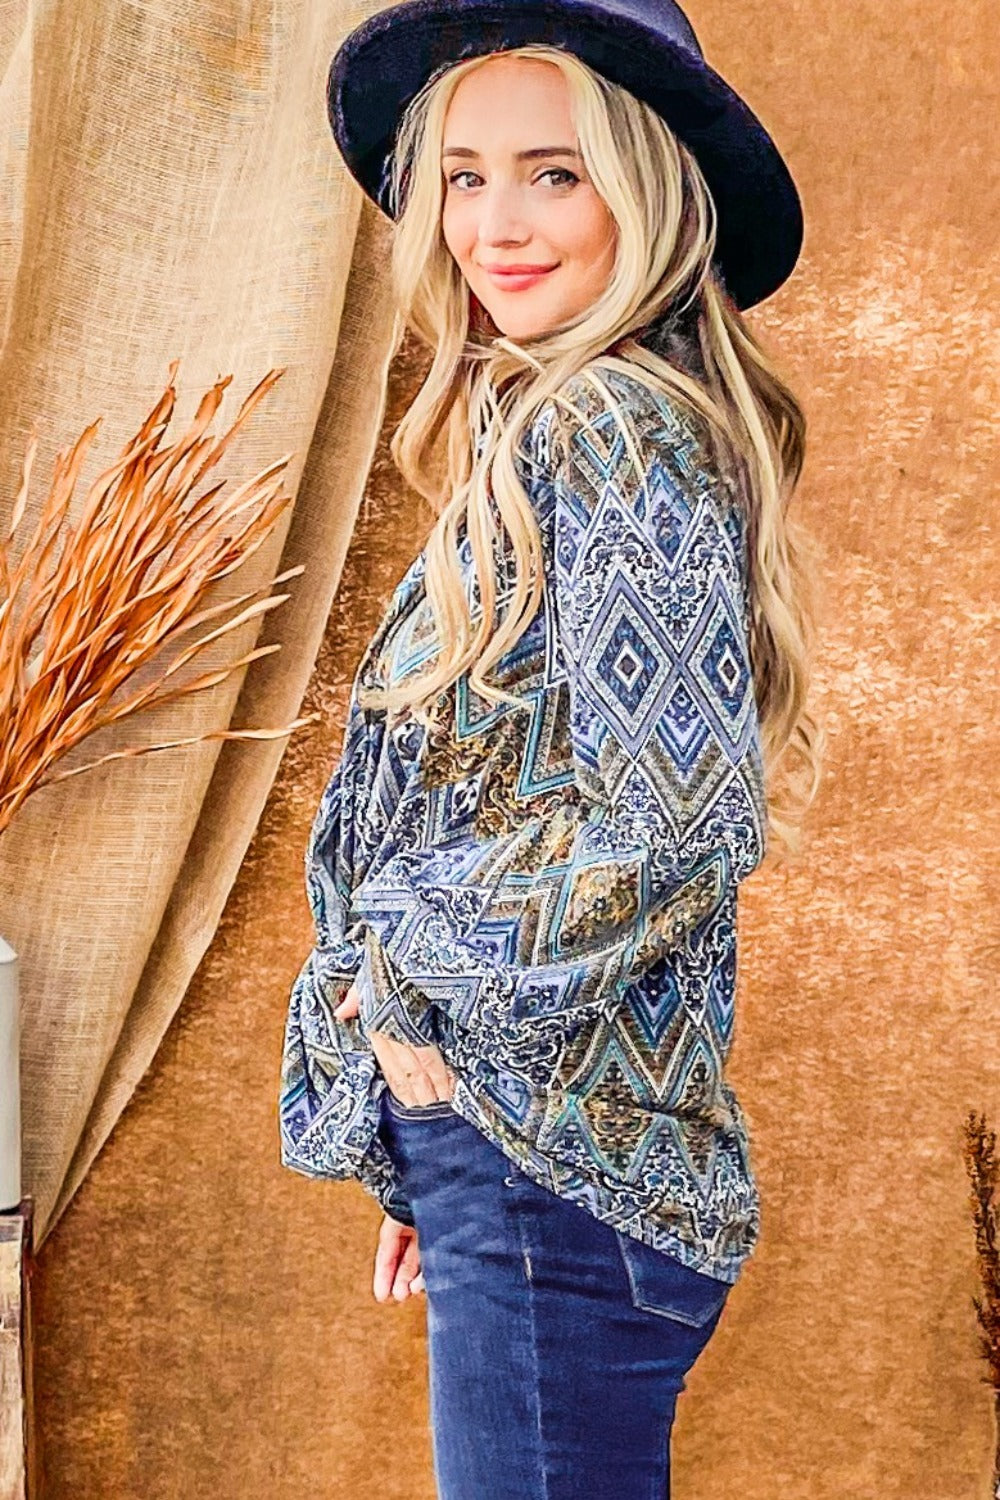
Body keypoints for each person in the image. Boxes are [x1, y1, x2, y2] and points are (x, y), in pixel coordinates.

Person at [280, 1, 823, 1494]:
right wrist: (435, 1124)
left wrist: (406, 984)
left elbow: (676, 826)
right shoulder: (567, 423)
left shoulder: (613, 428)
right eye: (463, 175)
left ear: (645, 190)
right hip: (532, 1167)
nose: (494, 224)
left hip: (551, 1184)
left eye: (553, 173)